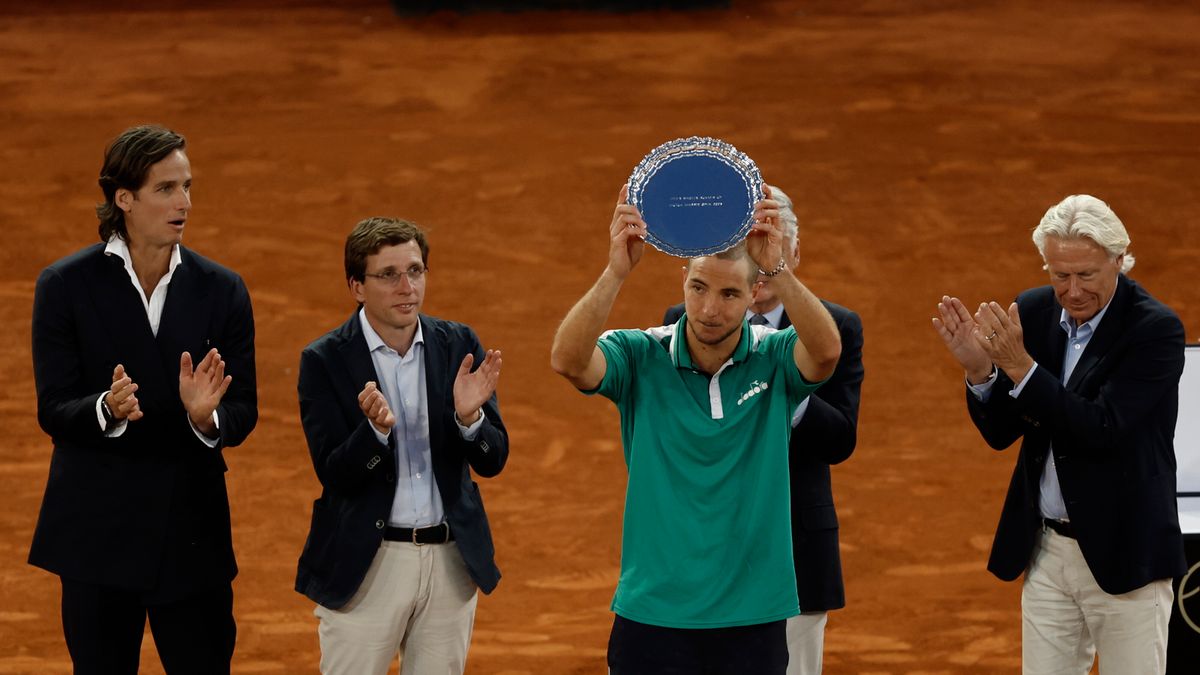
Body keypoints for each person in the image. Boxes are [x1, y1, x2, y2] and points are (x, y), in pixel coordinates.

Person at [551, 184, 842, 674]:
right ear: (682, 279)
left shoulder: (774, 358)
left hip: (753, 616)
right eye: (698, 288)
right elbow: (568, 360)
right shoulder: (641, 353)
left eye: (730, 293)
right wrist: (615, 271)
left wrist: (778, 269)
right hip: (653, 614)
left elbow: (827, 352)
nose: (709, 309)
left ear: (754, 295)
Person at [29, 124, 258, 674]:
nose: (184, 202)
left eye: (187, 186)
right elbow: (54, 406)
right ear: (123, 199)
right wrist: (106, 409)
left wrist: (209, 419)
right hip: (97, 534)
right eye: (166, 189)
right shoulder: (65, 285)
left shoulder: (222, 289)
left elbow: (244, 407)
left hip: (191, 535)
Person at [932, 194, 1186, 674]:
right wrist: (982, 372)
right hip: (1048, 552)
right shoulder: (1034, 311)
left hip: (1127, 554)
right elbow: (1003, 432)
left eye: (1086, 275)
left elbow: (1101, 428)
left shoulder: (1155, 331)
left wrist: (1022, 369)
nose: (1071, 291)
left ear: (1118, 259)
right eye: (1059, 274)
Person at [661, 185, 863, 675]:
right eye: (746, 244)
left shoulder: (833, 327)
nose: (758, 258)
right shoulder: (683, 322)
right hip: (703, 552)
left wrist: (786, 392)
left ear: (793, 252)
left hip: (795, 557)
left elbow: (839, 440)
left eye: (770, 246)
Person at [295, 216, 507, 675]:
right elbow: (333, 472)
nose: (406, 286)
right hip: (367, 567)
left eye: (415, 270)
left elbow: (494, 459)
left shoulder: (458, 346)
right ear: (357, 286)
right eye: (388, 275)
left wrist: (471, 420)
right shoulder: (324, 360)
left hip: (449, 563)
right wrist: (373, 434)